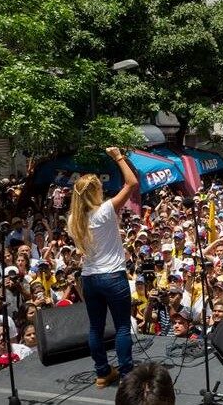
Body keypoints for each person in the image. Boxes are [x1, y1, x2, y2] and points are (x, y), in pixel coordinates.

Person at [67, 146, 138, 387]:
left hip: (90, 278)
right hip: (113, 276)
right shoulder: (105, 211)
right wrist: (118, 157)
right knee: (122, 327)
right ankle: (126, 374)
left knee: (96, 328)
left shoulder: (73, 219)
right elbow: (131, 183)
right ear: (95, 191)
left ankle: (102, 372)